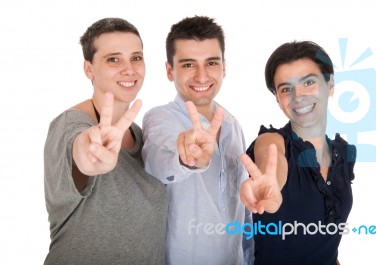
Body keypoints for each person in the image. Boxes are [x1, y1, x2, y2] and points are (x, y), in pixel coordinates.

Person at [43, 18, 168, 265]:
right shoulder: (72, 124)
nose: (129, 69)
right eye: (113, 59)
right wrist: (89, 157)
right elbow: (82, 152)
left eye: (136, 57)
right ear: (89, 69)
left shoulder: (140, 135)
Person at [141, 16, 253, 265]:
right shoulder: (159, 118)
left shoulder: (233, 124)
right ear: (170, 71)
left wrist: (248, 257)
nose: (202, 76)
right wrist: (187, 157)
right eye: (189, 64)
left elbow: (240, 211)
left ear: (224, 67)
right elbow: (160, 160)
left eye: (211, 62)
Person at [239, 40, 357, 265]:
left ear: (330, 85)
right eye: (286, 89)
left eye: (309, 82)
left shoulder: (343, 155)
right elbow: (271, 159)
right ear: (277, 98)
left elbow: (328, 245)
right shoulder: (273, 142)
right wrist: (269, 181)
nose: (298, 96)